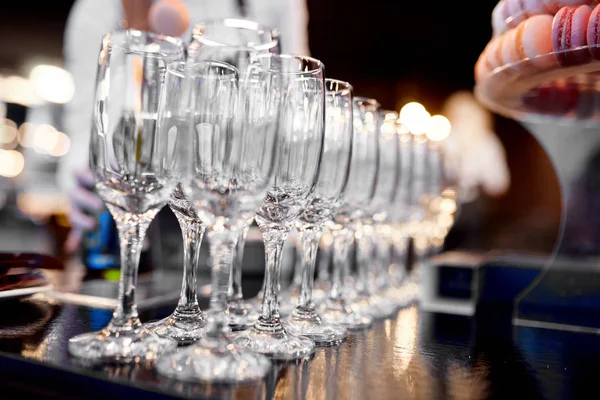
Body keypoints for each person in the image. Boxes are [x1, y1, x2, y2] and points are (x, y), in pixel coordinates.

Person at [60, 0, 310, 253]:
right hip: (148, 221)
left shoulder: (278, 5)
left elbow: (295, 110)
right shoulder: (102, 8)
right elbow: (84, 130)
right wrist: (90, 181)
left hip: (240, 226)